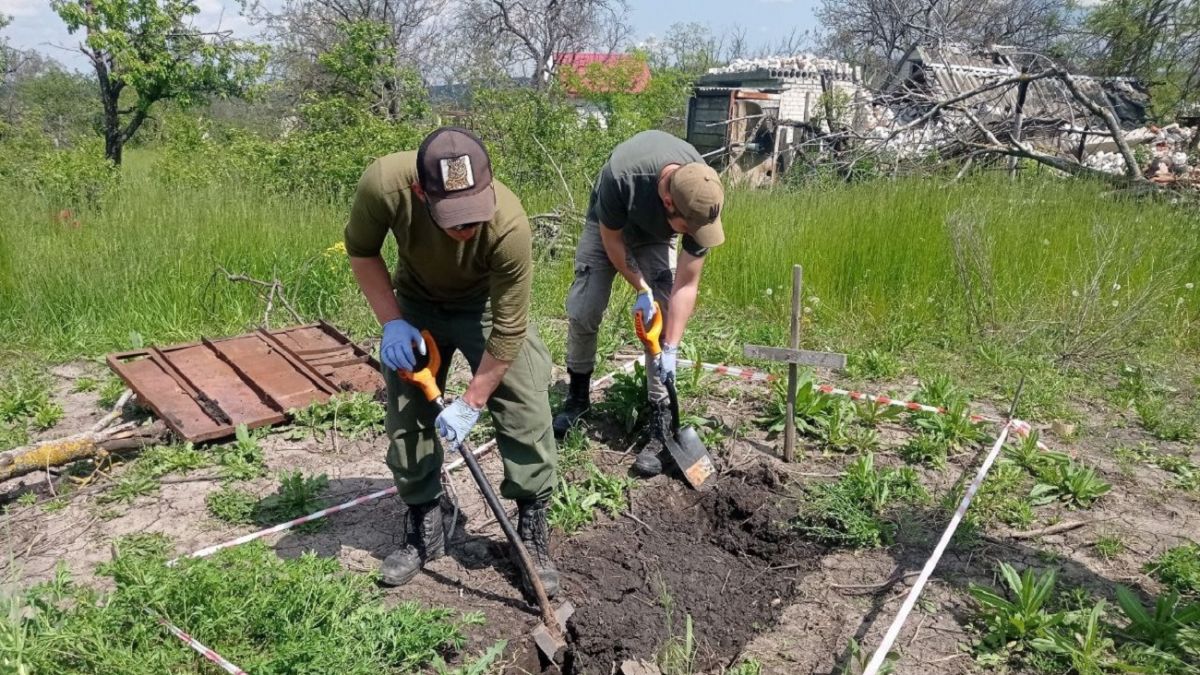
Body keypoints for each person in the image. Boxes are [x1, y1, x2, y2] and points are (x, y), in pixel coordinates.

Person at [344, 127, 559, 596]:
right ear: (421, 193)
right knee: (407, 413)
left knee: (526, 404)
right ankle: (426, 518)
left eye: (473, 215)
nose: (466, 230)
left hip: (485, 306)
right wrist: (391, 321)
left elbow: (508, 329)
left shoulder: (510, 225)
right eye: (453, 219)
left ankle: (531, 523)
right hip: (417, 303)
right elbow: (361, 251)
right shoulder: (383, 185)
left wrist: (472, 400)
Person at [553, 130, 725, 476]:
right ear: (667, 203)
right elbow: (613, 243)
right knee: (585, 309)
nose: (688, 236)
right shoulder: (623, 176)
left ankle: (660, 427)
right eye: (684, 228)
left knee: (660, 324)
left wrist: (672, 347)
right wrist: (640, 288)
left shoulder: (702, 196)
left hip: (652, 236)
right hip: (608, 227)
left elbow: (687, 284)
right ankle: (578, 398)